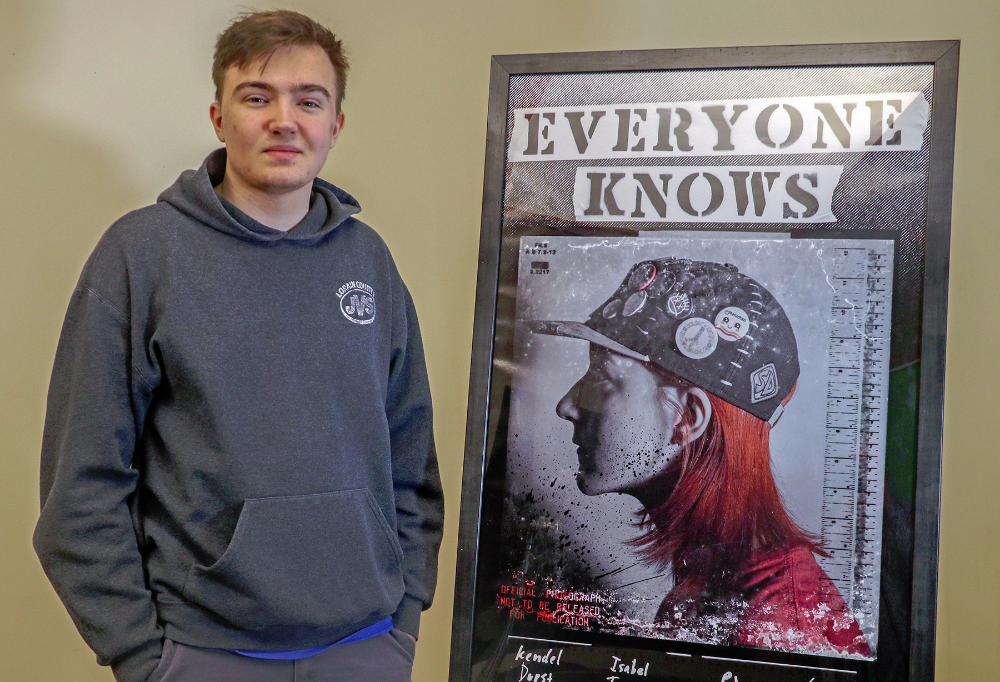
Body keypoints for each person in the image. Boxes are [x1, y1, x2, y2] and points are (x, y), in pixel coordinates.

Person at [33, 10, 443, 682]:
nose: (285, 120)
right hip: (203, 654)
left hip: (366, 648)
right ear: (220, 116)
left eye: (309, 101)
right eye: (258, 97)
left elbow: (410, 456)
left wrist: (404, 620)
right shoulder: (143, 255)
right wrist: (143, 656)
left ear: (334, 126)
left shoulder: (369, 262)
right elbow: (82, 484)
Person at [528, 256, 870, 657]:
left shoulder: (773, 625)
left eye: (602, 379)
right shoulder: (723, 586)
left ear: (686, 418)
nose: (566, 406)